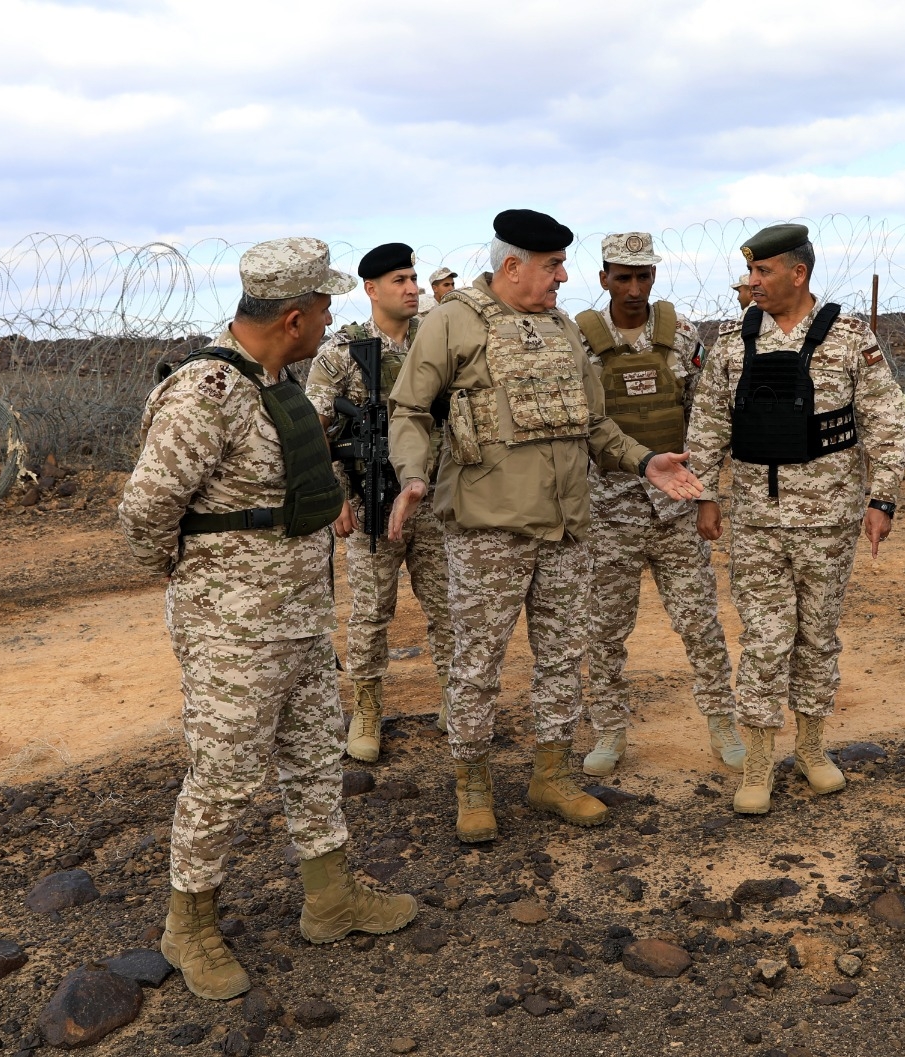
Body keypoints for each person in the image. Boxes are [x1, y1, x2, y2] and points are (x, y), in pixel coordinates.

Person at [119, 237, 417, 1001]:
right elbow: (146, 511)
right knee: (223, 777)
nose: (330, 320)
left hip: (300, 619)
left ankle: (331, 897)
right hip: (234, 631)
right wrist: (196, 585)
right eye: (323, 308)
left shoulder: (275, 383)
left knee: (315, 759)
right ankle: (188, 925)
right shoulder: (207, 392)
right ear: (293, 318)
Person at [384, 208, 704, 843]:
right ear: (513, 266)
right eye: (553, 266)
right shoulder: (453, 322)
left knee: (562, 658)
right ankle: (473, 786)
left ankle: (551, 776)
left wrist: (646, 461)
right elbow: (411, 410)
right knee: (477, 663)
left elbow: (594, 424)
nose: (563, 277)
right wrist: (413, 476)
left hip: (566, 529)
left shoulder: (561, 328)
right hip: (489, 530)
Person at [687, 223, 905, 815]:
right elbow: (708, 424)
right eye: (751, 272)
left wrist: (882, 499)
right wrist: (705, 494)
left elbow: (886, 422)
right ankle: (759, 762)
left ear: (798, 272)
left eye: (763, 271)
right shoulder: (734, 341)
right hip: (757, 522)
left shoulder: (848, 337)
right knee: (765, 639)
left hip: (829, 521)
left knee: (816, 637)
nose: (753, 282)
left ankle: (811, 747)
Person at [572, 231, 742, 776]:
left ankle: (722, 722)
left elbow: (707, 421)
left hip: (676, 511)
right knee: (604, 630)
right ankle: (609, 730)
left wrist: (706, 496)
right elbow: (576, 429)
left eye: (643, 276)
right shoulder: (579, 342)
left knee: (700, 624)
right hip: (608, 512)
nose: (634, 288)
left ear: (653, 276)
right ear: (604, 278)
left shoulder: (682, 335)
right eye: (622, 277)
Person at [306, 242, 452, 764]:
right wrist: (336, 495)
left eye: (413, 279)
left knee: (450, 607)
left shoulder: (436, 340)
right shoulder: (342, 353)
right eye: (399, 281)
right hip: (371, 500)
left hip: (436, 499)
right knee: (370, 613)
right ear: (371, 289)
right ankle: (366, 709)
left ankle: (457, 698)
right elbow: (313, 433)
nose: (412, 289)